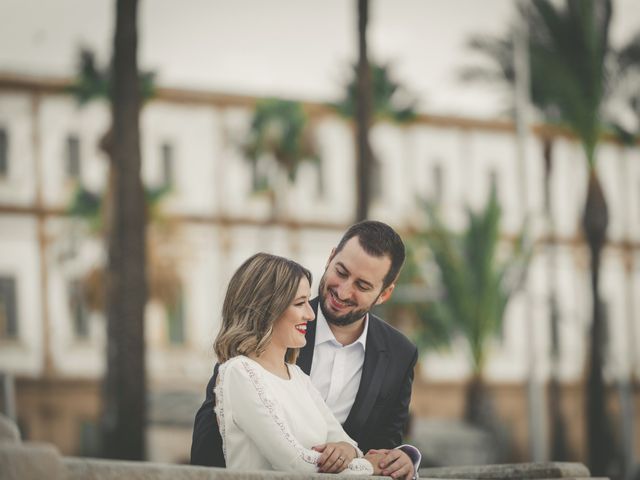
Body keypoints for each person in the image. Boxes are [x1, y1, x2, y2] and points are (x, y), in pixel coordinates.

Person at [192, 221, 420, 479]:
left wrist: (401, 457)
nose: (344, 291)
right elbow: (210, 435)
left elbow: (383, 446)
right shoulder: (264, 342)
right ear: (331, 257)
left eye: (362, 285)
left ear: (384, 294)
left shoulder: (400, 353)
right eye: (341, 272)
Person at [211, 252, 383, 475]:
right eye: (300, 303)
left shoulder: (298, 376)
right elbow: (296, 463)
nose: (311, 315)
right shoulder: (240, 372)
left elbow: (348, 444)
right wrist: (370, 467)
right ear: (267, 309)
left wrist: (345, 450)